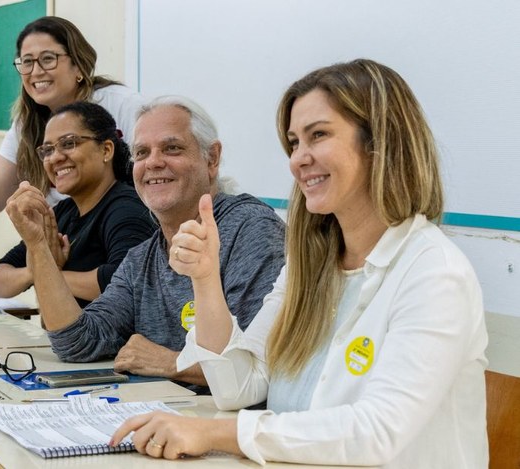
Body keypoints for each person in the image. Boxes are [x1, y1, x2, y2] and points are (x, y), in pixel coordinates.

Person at [111, 59, 489, 467]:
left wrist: (217, 432)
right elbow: (239, 386)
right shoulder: (310, 267)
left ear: (380, 142)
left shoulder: (433, 272)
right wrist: (205, 279)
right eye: (294, 143)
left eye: (318, 136)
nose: (298, 159)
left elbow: (376, 432)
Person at [5, 95, 285, 386]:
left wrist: (170, 362)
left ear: (211, 158)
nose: (153, 163)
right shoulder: (142, 258)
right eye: (141, 153)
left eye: (172, 148)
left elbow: (255, 366)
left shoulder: (251, 228)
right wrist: (37, 245)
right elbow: (77, 343)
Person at [0, 16, 146, 215]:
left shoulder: (122, 104)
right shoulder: (27, 123)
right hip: (63, 238)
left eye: (48, 59)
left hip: (122, 229)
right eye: (27, 62)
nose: (36, 71)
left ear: (78, 65)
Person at [0, 102, 155, 306]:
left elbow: (125, 283)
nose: (55, 157)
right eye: (48, 150)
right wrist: (36, 268)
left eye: (68, 143)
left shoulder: (126, 208)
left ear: (106, 150)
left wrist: (47, 272)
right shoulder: (63, 212)